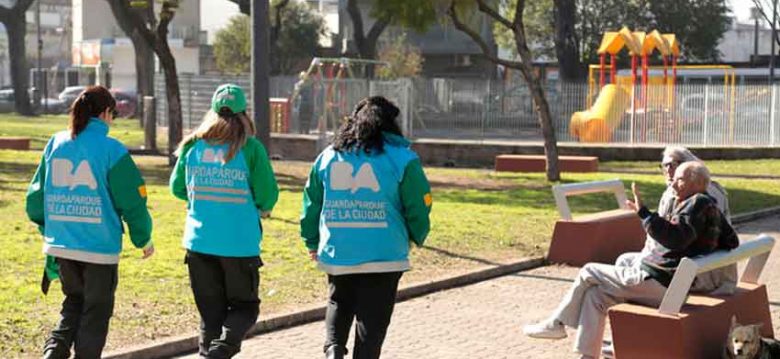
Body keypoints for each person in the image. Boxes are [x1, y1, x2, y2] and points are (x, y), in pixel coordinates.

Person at [523, 161, 739, 359]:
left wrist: (645, 215)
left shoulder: (697, 202)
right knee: (595, 295)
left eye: (679, 178)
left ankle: (556, 323)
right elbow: (732, 240)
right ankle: (587, 356)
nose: (672, 181)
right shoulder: (709, 206)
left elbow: (676, 238)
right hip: (671, 284)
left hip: (660, 282)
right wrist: (705, 245)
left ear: (696, 183)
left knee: (589, 270)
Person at [26, 85, 154, 359]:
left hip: (62, 247)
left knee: (72, 304)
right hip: (99, 249)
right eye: (113, 115)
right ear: (107, 113)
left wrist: (49, 230)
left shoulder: (56, 142)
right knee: (95, 314)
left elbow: (35, 199)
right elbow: (132, 201)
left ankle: (53, 351)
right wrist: (143, 239)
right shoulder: (113, 150)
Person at [300, 96, 433, 359]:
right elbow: (418, 204)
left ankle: (334, 348)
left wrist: (312, 241)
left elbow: (311, 203)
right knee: (373, 321)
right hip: (384, 254)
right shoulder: (403, 159)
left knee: (339, 301)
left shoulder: (327, 157)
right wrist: (417, 235)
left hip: (340, 250)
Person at [170, 83, 279, 358]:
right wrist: (262, 208)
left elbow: (177, 188)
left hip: (199, 244)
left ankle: (212, 352)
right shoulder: (250, 148)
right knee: (245, 308)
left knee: (210, 316)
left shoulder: (193, 145)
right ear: (244, 114)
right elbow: (267, 195)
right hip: (239, 246)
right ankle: (220, 351)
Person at [615, 146, 736, 294]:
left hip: (702, 271)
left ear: (687, 166)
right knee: (625, 262)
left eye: (670, 165)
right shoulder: (684, 191)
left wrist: (645, 215)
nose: (666, 171)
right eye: (663, 166)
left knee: (617, 271)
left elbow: (676, 238)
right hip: (695, 264)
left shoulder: (699, 197)